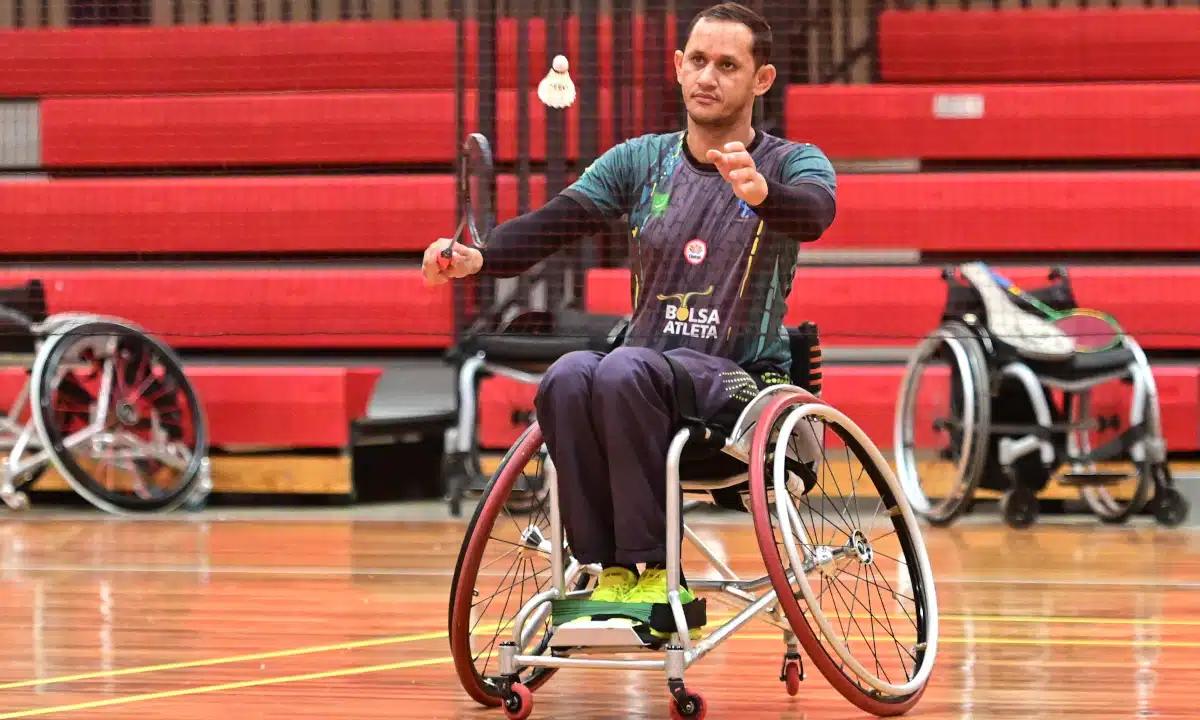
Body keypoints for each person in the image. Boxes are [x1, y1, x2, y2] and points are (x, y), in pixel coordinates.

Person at [423, 2, 836, 639]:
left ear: (761, 80)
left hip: (738, 386)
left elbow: (815, 214)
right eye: (698, 61)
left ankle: (654, 571)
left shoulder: (791, 162)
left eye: (728, 65)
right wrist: (481, 257)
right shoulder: (639, 161)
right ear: (677, 67)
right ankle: (610, 569)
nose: (708, 76)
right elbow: (555, 223)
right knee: (567, 376)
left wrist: (764, 196)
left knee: (620, 371)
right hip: (639, 375)